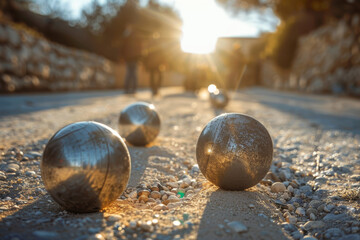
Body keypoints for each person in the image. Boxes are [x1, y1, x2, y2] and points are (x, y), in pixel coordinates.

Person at [121, 24, 142, 94]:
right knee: (131, 74)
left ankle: (131, 89)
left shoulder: (127, 36)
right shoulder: (132, 36)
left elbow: (123, 48)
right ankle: (131, 89)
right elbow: (138, 48)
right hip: (131, 59)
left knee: (131, 74)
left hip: (131, 58)